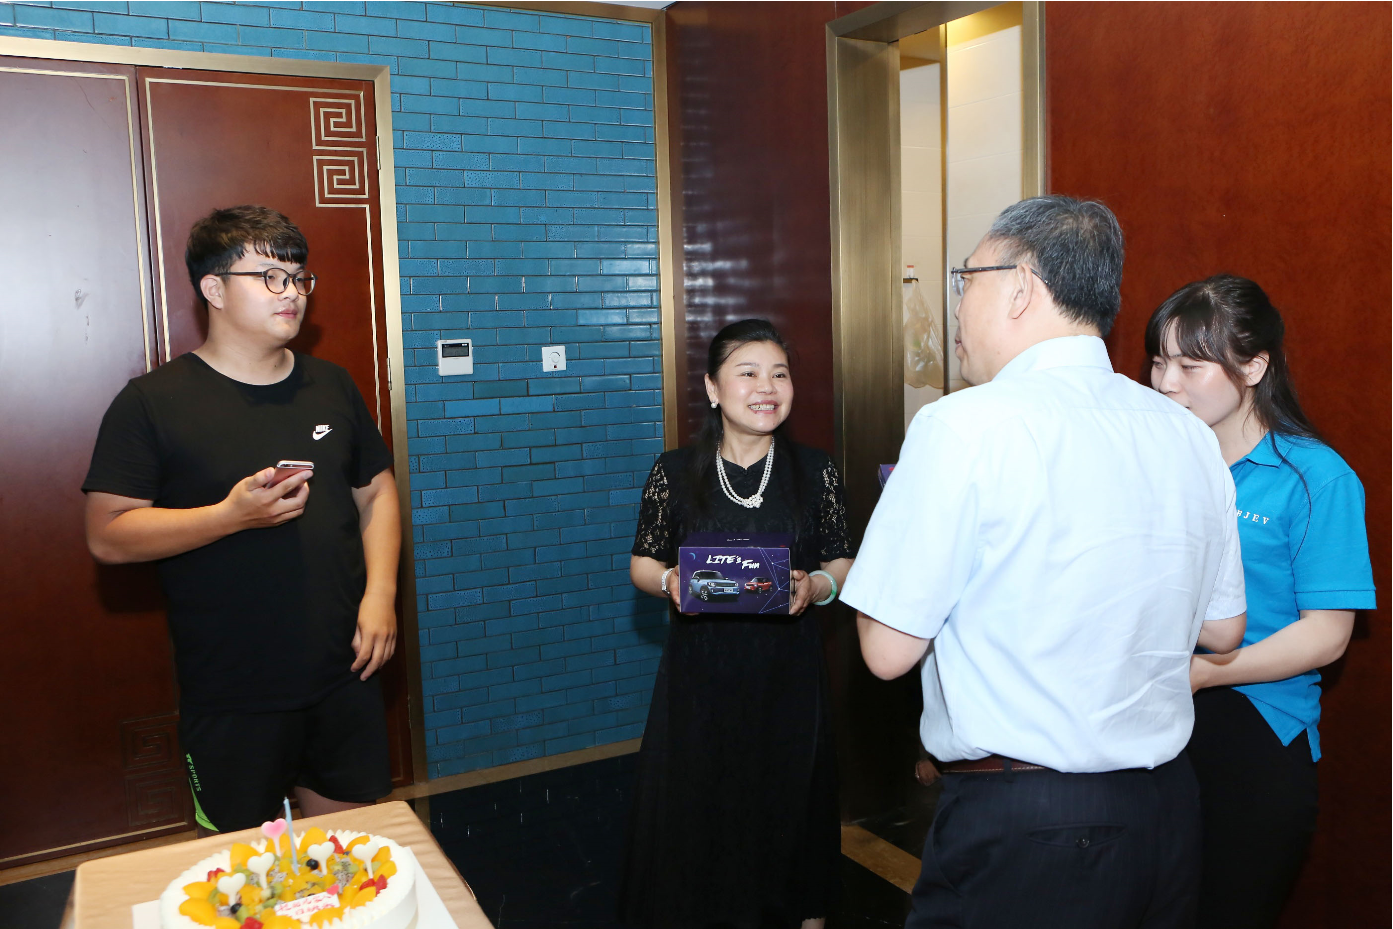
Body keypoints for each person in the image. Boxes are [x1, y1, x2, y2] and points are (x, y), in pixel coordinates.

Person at [842, 196, 1248, 929]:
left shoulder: (962, 426)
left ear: (1021, 287)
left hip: (1026, 824)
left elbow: (885, 650)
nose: (957, 305)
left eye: (966, 279)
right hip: (1164, 809)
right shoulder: (1187, 434)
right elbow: (1222, 629)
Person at [83, 205, 400, 833]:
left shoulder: (332, 385)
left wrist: (381, 596)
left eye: (299, 277)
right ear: (214, 289)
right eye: (271, 277)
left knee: (350, 855)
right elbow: (108, 535)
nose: (293, 292)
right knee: (243, 868)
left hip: (344, 668)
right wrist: (229, 516)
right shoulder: (151, 403)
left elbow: (377, 494)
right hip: (232, 686)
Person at [1145, 275, 1375, 929]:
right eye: (1158, 361)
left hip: (1254, 726)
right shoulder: (1156, 463)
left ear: (1253, 365)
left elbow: (1327, 634)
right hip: (1152, 719)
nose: (1165, 383)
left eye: (1190, 365)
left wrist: (1204, 672)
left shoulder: (1314, 476)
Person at [618, 319, 854, 929]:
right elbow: (642, 564)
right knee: (700, 802)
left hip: (788, 677)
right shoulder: (674, 472)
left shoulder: (816, 471)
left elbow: (843, 562)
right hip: (699, 679)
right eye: (748, 373)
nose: (766, 387)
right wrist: (670, 582)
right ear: (713, 388)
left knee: (790, 801)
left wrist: (818, 586)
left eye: (779, 374)